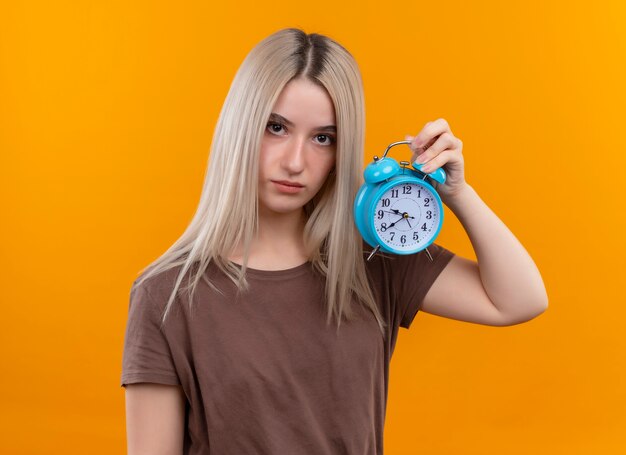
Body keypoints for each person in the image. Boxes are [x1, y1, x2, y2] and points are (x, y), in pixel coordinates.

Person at [120, 28, 548, 455]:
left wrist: (458, 193)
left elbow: (519, 299)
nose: (294, 161)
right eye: (276, 127)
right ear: (240, 126)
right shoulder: (168, 293)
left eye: (323, 138)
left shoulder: (373, 255)